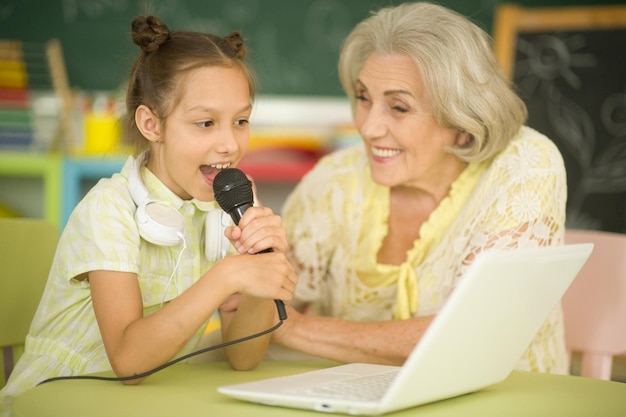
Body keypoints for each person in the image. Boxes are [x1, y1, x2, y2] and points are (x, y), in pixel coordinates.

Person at [0, 15, 297, 410]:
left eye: (241, 121)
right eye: (205, 123)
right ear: (151, 124)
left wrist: (261, 269)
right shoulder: (109, 209)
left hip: (148, 401)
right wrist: (228, 276)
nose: (229, 143)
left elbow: (244, 358)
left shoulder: (233, 203)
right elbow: (129, 362)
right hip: (54, 399)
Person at [270, 2, 570, 374]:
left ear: (463, 121)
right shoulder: (335, 179)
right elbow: (262, 311)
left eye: (398, 107)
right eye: (363, 97)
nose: (367, 128)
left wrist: (298, 330)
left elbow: (473, 337)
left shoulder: (524, 164)